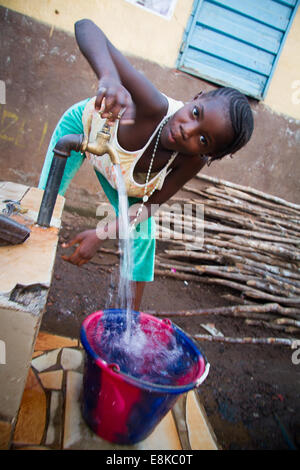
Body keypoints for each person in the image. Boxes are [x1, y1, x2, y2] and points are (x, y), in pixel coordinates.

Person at [39, 19, 254, 311]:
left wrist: (101, 234)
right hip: (84, 133)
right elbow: (87, 27)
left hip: (120, 174)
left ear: (210, 155)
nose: (187, 130)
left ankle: (129, 323)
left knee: (143, 238)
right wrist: (109, 78)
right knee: (44, 203)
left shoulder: (191, 162)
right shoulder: (152, 107)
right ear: (195, 99)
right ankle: (27, 279)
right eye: (195, 113)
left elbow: (150, 204)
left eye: (203, 140)